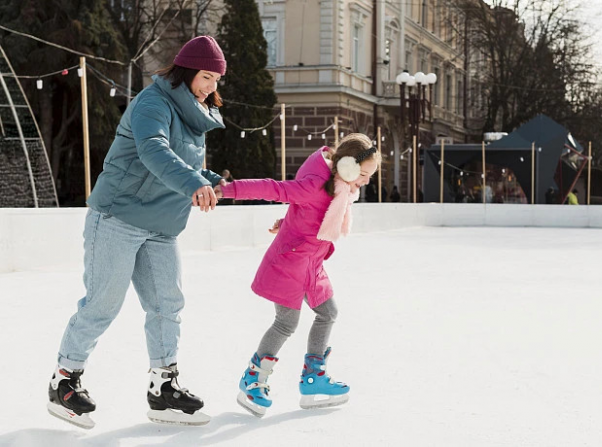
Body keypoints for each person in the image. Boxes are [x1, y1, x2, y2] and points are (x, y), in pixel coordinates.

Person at [47, 35, 228, 429]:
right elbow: (154, 150)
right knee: (103, 303)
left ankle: (163, 390)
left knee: (168, 303)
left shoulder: (194, 113)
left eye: (216, 79)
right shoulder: (153, 102)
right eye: (206, 76)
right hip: (118, 217)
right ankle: (64, 380)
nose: (212, 86)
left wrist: (214, 181)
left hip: (161, 226)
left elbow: (183, 164)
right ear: (185, 71)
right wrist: (194, 184)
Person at [215, 134, 380, 417]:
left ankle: (313, 379)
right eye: (363, 175)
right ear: (348, 167)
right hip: (290, 263)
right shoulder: (316, 186)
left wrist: (290, 223)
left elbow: (309, 215)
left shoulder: (340, 189)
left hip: (310, 263)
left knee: (328, 312)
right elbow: (272, 189)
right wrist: (225, 191)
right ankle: (253, 379)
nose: (365, 182)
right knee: (286, 323)